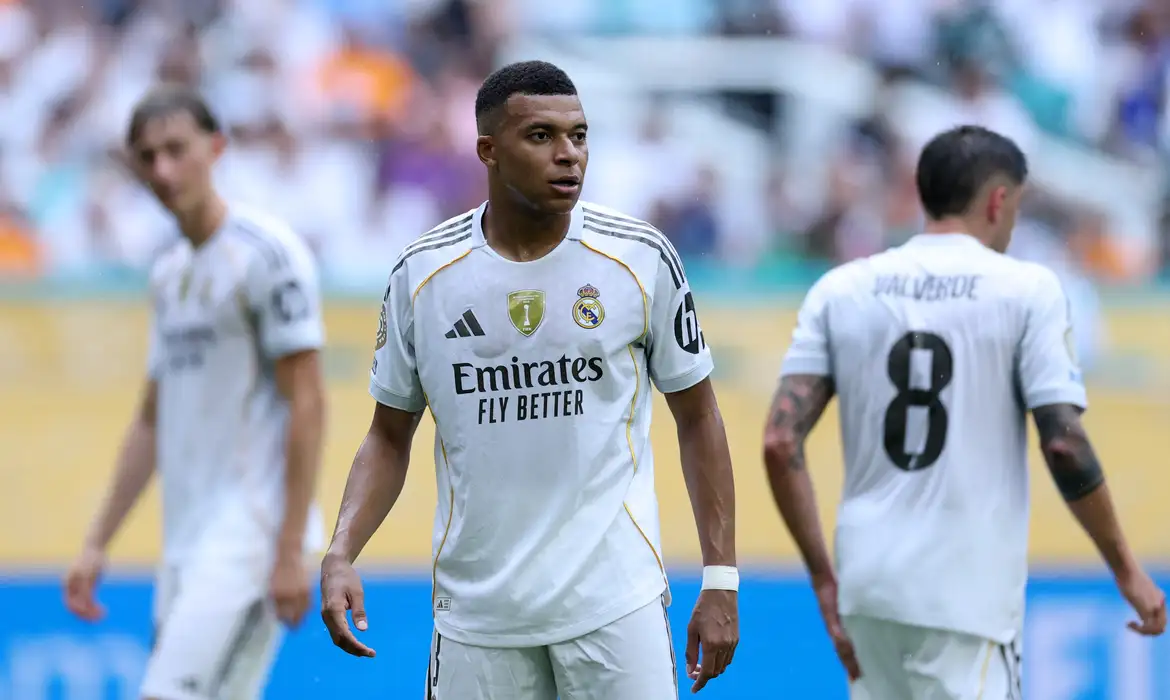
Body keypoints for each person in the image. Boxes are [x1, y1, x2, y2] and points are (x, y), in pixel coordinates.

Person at [319, 60, 739, 699]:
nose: (569, 154)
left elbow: (699, 416)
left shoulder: (640, 258)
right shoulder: (423, 275)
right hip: (478, 616)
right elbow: (388, 435)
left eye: (579, 135)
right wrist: (341, 550)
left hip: (614, 605)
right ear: (488, 150)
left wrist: (721, 578)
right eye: (541, 136)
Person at [762, 125, 1166, 699]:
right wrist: (1126, 568)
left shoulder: (841, 289)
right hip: (964, 594)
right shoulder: (1025, 289)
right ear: (998, 201)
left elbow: (780, 441)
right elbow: (1063, 443)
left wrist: (824, 578)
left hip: (867, 587)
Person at [63, 85, 327, 700]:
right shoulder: (168, 274)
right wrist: (97, 543)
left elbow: (309, 401)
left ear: (216, 148)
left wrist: (289, 547)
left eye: (176, 149)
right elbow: (151, 419)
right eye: (147, 157)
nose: (163, 169)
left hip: (250, 536)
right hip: (186, 539)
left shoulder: (266, 255)